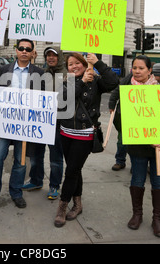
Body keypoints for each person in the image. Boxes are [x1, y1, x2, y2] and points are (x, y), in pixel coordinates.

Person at [54, 53, 118, 227]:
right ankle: (78, 203)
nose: (74, 66)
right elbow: (63, 100)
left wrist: (97, 63)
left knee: (71, 170)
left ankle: (62, 205)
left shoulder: (96, 81)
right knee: (75, 170)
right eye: (70, 64)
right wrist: (81, 81)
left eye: (77, 63)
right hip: (65, 132)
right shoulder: (66, 82)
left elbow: (113, 82)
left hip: (84, 134)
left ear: (84, 64)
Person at [0, 38, 44, 209]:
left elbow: (43, 101)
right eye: (21, 48)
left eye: (27, 49)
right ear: (16, 50)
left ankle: (16, 192)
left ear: (32, 53)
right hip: (4, 123)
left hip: (25, 126)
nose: (24, 51)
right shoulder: (4, 70)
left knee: (20, 161)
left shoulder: (40, 73)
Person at [112, 55, 160, 238]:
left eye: (141, 68)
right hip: (137, 147)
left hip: (159, 147)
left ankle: (157, 219)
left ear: (149, 70)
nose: (137, 71)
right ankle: (137, 215)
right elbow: (119, 122)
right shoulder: (127, 91)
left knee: (158, 181)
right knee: (137, 179)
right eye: (134, 68)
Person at [22, 46, 66, 199]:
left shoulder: (67, 75)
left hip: (57, 123)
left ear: (59, 57)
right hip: (40, 121)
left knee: (56, 158)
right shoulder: (43, 73)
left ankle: (54, 186)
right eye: (48, 55)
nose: (51, 58)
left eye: (54, 55)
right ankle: (36, 180)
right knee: (35, 155)